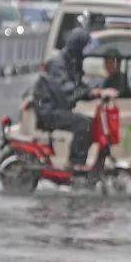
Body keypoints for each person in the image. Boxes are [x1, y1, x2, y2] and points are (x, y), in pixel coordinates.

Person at [31, 27, 98, 167]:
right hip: (49, 111)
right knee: (84, 125)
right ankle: (76, 165)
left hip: (57, 108)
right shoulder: (59, 63)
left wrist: (94, 91)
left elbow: (78, 85)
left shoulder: (71, 61)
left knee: (92, 123)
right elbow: (67, 89)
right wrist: (90, 92)